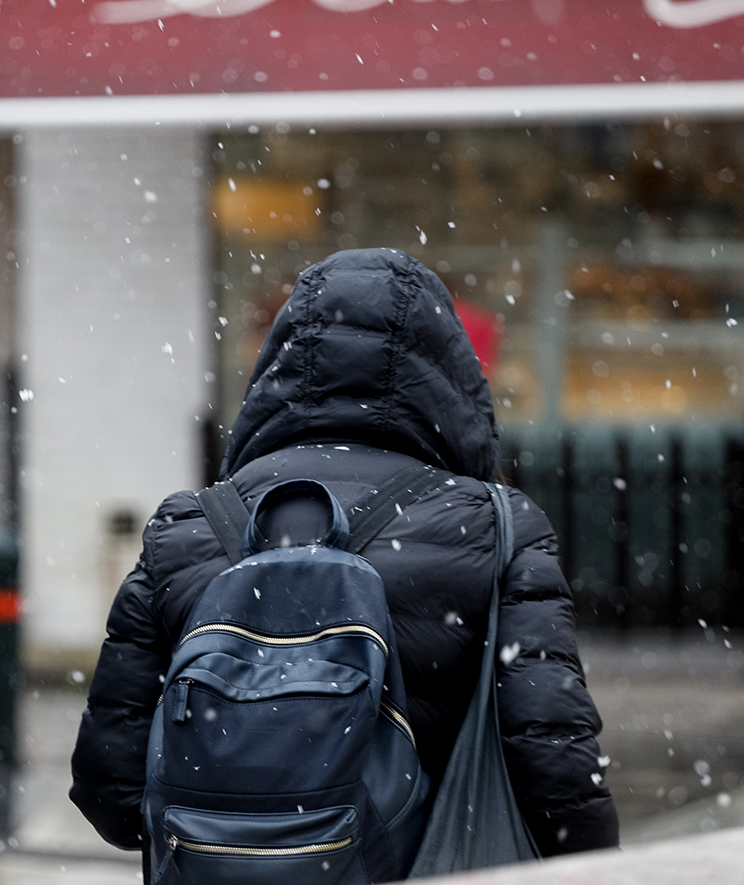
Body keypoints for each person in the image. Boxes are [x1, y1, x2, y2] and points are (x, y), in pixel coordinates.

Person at [69, 248, 619, 869]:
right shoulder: (496, 528)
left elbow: (109, 792)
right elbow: (556, 771)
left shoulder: (188, 527)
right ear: (451, 375)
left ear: (280, 368)